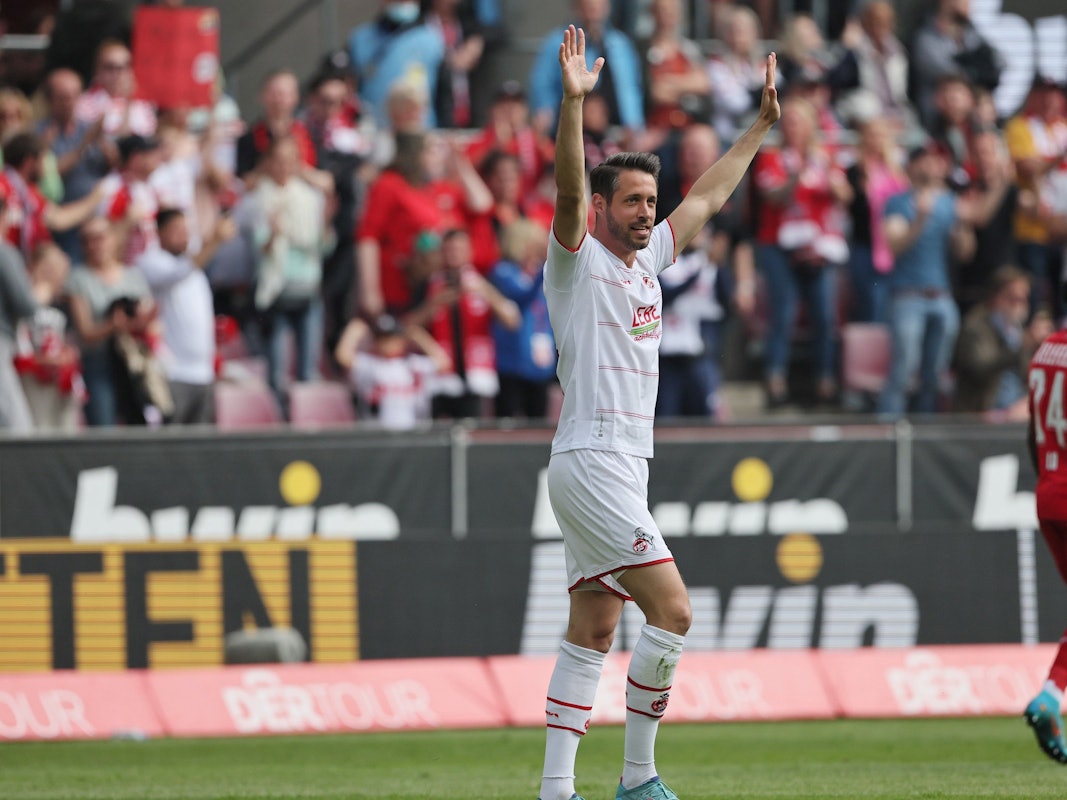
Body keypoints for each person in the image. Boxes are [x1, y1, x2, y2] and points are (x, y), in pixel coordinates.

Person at [536, 25, 779, 800]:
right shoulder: (577, 264)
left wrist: (760, 128)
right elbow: (569, 190)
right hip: (593, 458)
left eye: (649, 200)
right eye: (632, 202)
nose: (646, 213)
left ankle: (555, 790)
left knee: (594, 631)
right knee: (672, 611)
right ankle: (638, 779)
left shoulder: (651, 262)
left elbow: (707, 195)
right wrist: (573, 106)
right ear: (602, 209)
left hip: (615, 465)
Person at [877, 143, 976, 417]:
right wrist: (920, 218)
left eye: (934, 160)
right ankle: (888, 428)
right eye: (923, 160)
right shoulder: (897, 202)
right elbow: (895, 246)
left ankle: (925, 431)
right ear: (911, 167)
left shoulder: (950, 203)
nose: (930, 165)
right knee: (903, 370)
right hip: (907, 296)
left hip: (941, 295)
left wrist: (964, 227)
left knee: (935, 373)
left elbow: (965, 252)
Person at [136, 208, 236, 425]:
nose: (183, 235)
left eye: (185, 229)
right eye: (176, 229)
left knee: (198, 449)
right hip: (173, 372)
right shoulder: (151, 262)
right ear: (159, 233)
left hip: (204, 374)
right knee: (171, 446)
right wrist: (215, 240)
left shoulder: (197, 273)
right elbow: (178, 273)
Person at [1024, 318, 1067, 764]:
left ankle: (1051, 696)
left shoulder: (1045, 351)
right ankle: (1050, 696)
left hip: (1049, 492)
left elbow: (1029, 436)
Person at [333, 313, 449, 430]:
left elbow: (444, 363)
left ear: (402, 339)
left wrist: (419, 335)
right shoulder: (370, 365)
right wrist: (354, 330)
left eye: (391, 338)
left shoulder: (413, 363)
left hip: (413, 432)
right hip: (377, 434)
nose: (387, 343)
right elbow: (343, 357)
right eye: (381, 338)